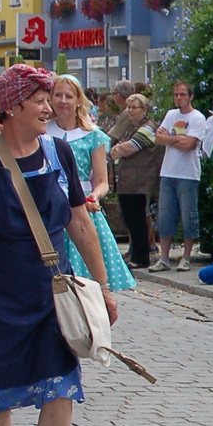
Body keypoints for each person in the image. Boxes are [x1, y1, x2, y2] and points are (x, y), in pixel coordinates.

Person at [0, 64, 119, 426]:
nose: (50, 107)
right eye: (40, 99)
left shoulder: (58, 152)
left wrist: (101, 287)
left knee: (59, 387)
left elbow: (79, 222)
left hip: (52, 290)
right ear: (14, 105)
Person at [47, 76, 135, 294]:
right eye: (58, 95)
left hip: (82, 202)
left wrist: (95, 195)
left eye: (69, 96)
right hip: (50, 204)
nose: (63, 101)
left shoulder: (93, 136)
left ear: (79, 101)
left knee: (86, 274)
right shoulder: (43, 132)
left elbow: (103, 181)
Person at [154, 82, 207, 271]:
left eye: (183, 94)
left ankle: (187, 256)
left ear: (190, 96)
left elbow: (190, 145)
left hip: (188, 173)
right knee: (165, 215)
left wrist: (170, 138)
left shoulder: (198, 117)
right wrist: (176, 139)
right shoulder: (170, 114)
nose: (179, 98)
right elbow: (158, 138)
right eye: (176, 94)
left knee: (188, 215)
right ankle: (164, 257)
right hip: (168, 171)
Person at [109, 92, 161, 269]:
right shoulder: (132, 127)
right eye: (128, 107)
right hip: (128, 181)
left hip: (139, 181)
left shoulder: (148, 127)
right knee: (131, 219)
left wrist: (118, 148)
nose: (130, 111)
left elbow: (130, 147)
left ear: (144, 109)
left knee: (138, 219)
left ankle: (141, 257)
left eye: (134, 107)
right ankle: (137, 254)